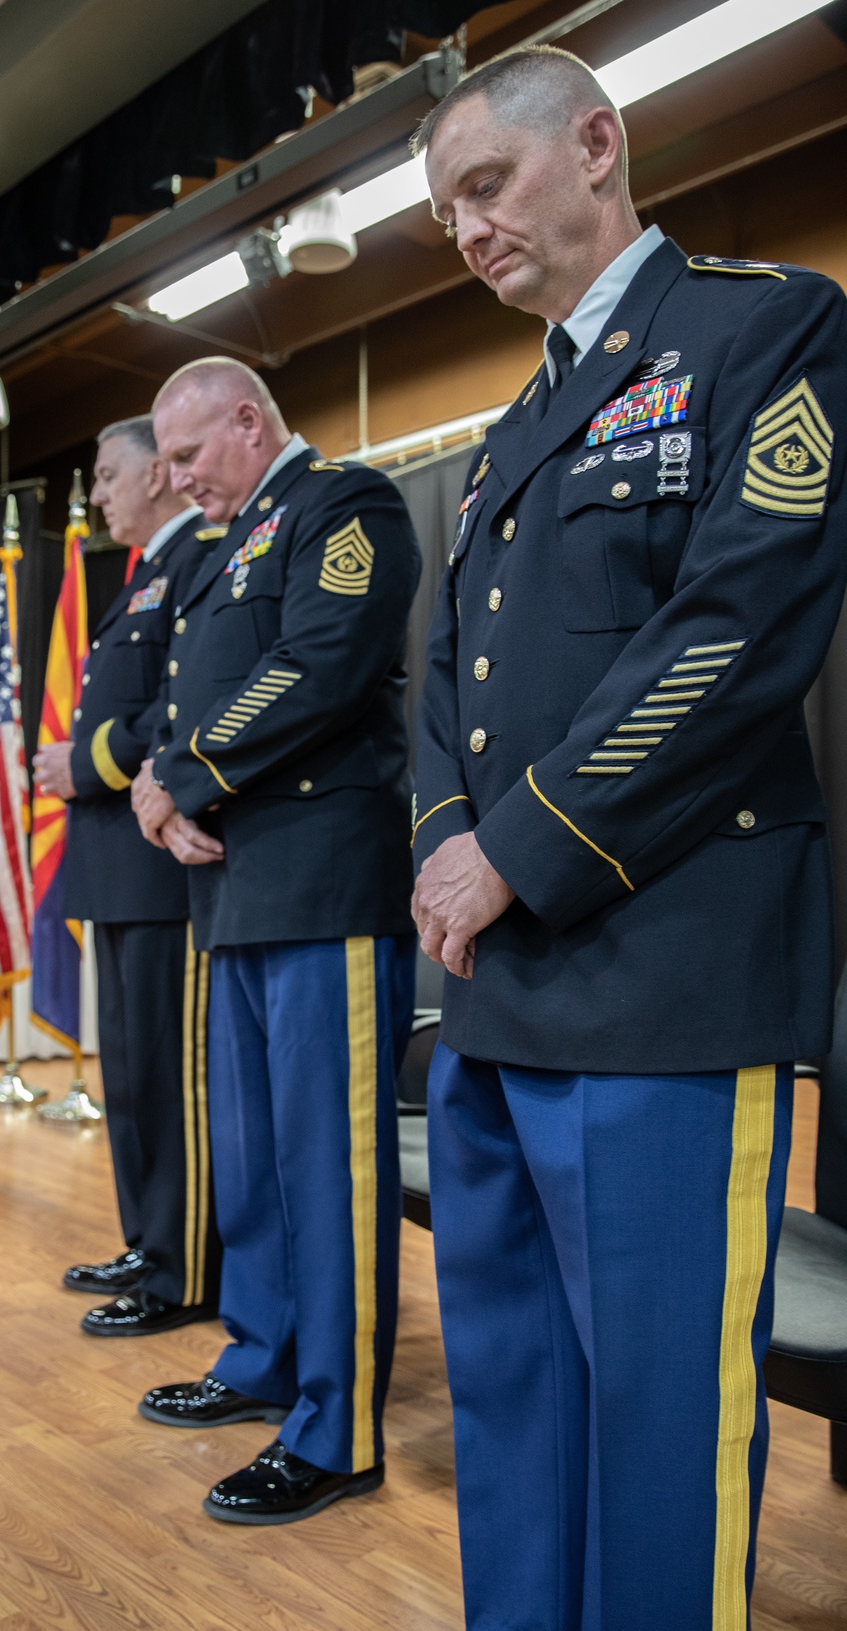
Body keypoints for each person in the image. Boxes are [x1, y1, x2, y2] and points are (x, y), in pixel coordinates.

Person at [409, 45, 847, 1631]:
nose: (464, 229)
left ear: (596, 145)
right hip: (498, 984)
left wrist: (516, 843)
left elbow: (737, 631)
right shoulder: (512, 422)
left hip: (661, 976)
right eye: (443, 209)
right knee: (518, 1408)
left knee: (659, 1431)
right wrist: (447, 839)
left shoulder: (760, 326)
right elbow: (440, 673)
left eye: (486, 185)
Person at [129, 358, 421, 1524]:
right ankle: (261, 1356)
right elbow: (184, 691)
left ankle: (336, 1424)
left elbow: (321, 661)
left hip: (323, 878)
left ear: (249, 422)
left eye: (191, 454)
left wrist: (183, 774)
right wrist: (160, 777)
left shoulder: (342, 505)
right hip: (237, 882)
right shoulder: (227, 543)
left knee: (328, 1161)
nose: (178, 477)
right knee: (251, 1155)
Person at [34, 415, 224, 1337]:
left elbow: (183, 704)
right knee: (130, 1076)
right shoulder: (146, 572)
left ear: (159, 473)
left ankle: (185, 1266)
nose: (98, 495)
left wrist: (89, 761)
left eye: (110, 476)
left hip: (159, 865)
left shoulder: (199, 559)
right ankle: (149, 1239)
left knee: (168, 1074)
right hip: (115, 863)